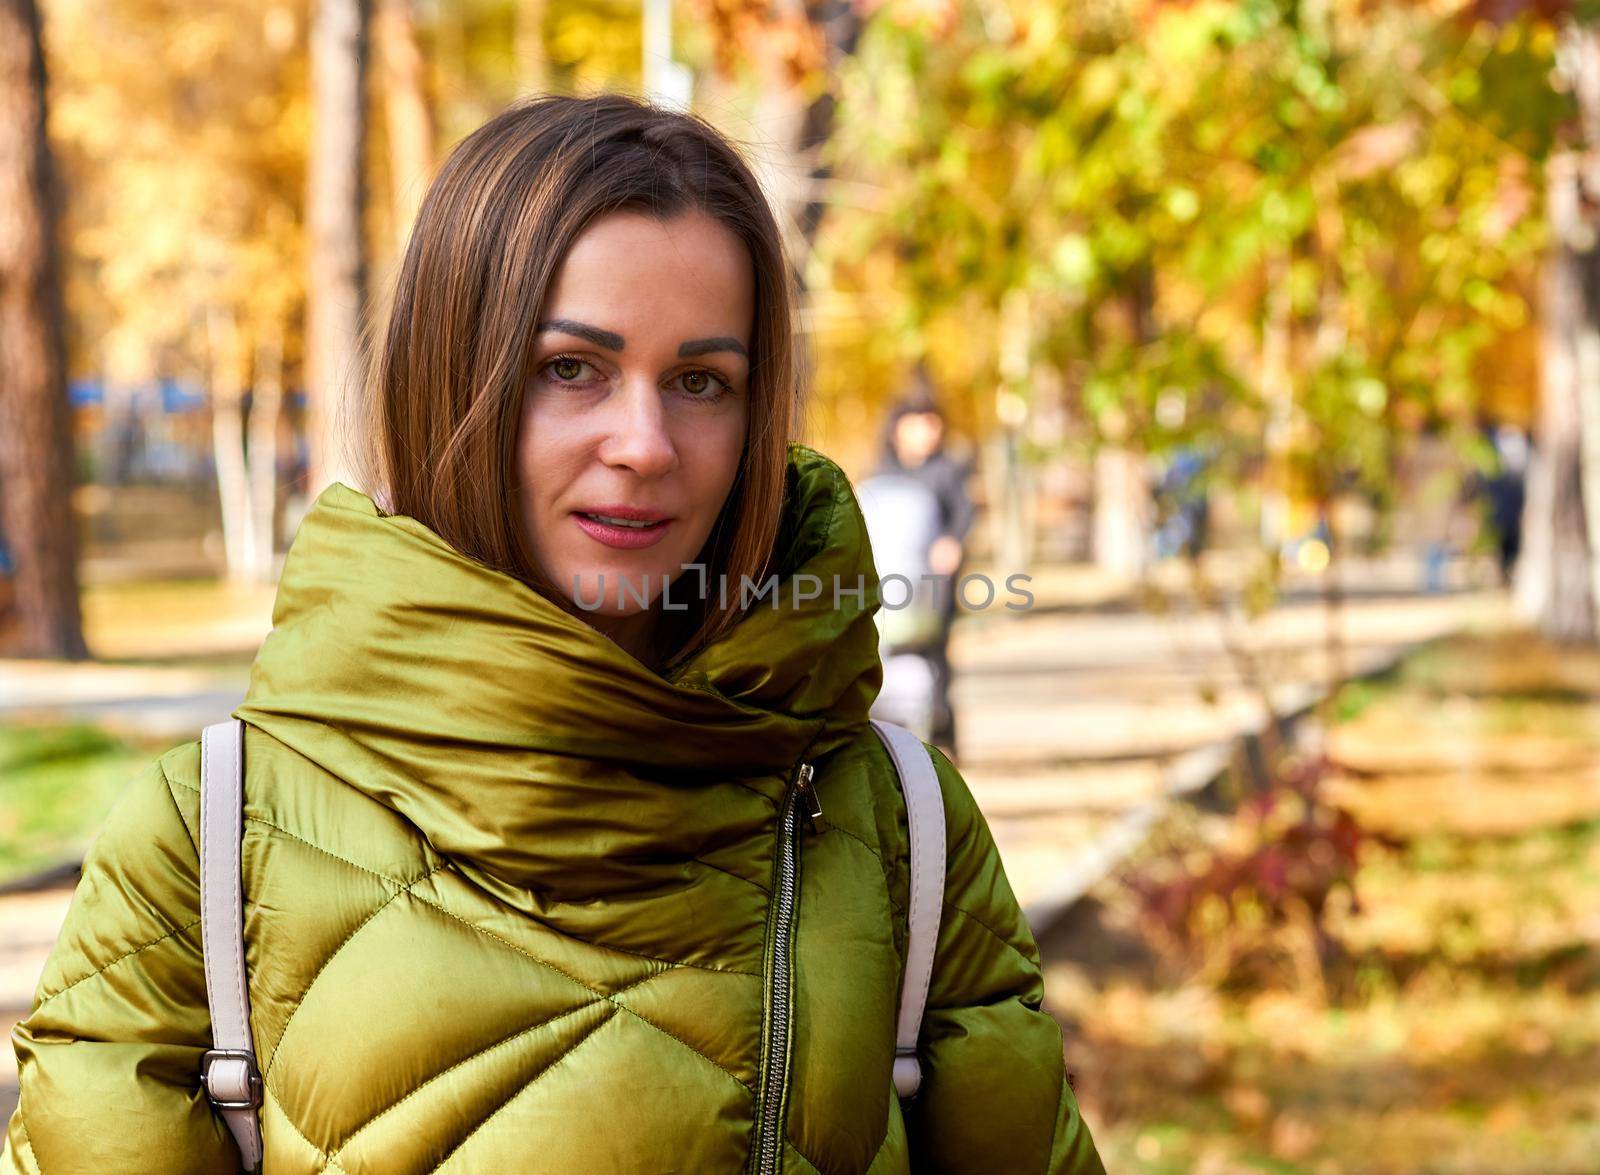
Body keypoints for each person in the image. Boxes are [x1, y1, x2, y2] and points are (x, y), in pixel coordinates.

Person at [1, 94, 1102, 1173]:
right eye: (570, 367)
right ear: (450, 378)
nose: (644, 442)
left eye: (701, 380)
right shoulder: (211, 835)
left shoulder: (895, 823)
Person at [870, 371, 975, 760]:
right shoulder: (883, 473)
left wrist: (951, 543)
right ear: (899, 429)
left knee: (938, 657)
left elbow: (963, 515)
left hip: (936, 586)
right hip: (893, 585)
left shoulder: (947, 471)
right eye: (919, 424)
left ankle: (943, 737)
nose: (928, 432)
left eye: (933, 424)